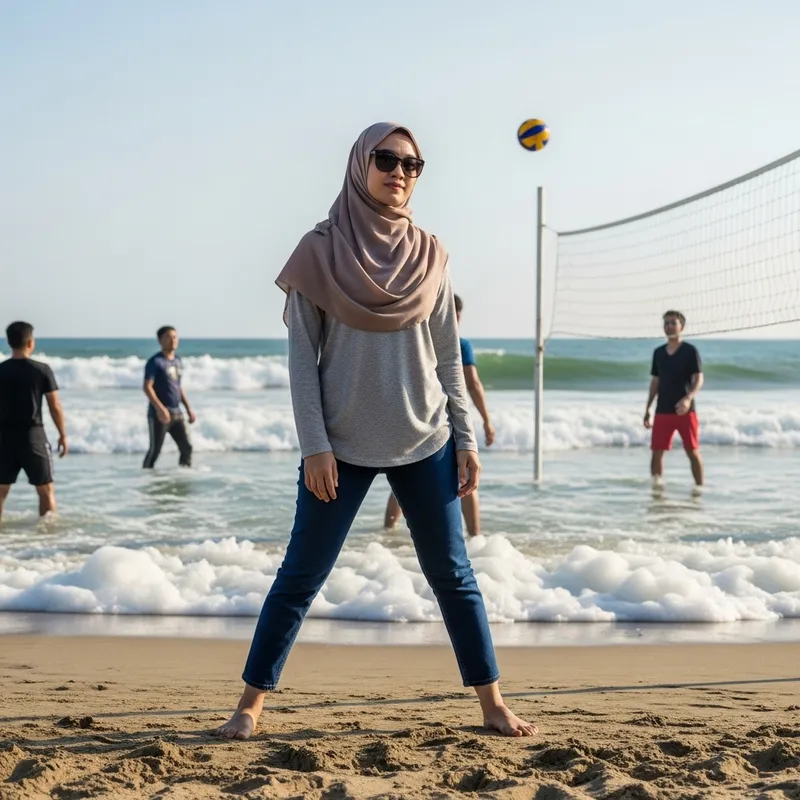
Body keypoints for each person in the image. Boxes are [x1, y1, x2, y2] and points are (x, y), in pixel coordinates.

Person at [215, 122, 536, 740]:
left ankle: (493, 705)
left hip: (426, 442)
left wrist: (465, 438)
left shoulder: (432, 254)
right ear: (360, 164)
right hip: (340, 449)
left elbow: (447, 360)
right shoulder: (318, 253)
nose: (400, 172)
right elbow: (302, 364)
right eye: (387, 159)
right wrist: (314, 445)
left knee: (454, 576)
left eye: (413, 165)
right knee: (300, 577)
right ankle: (250, 706)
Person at [384, 293, 495, 536]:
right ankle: (475, 536)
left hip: (414, 418)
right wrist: (486, 420)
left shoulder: (416, 341)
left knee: (403, 477)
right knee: (465, 479)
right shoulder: (458, 343)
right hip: (446, 420)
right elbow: (473, 384)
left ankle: (387, 532)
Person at [0, 321, 68, 522]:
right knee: (45, 490)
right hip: (33, 437)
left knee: (1, 491)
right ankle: (47, 539)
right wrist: (63, 435)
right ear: (30, 342)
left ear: (9, 342)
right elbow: (54, 405)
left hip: (3, 438)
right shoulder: (41, 370)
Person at [644, 310, 704, 486]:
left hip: (684, 410)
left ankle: (699, 491)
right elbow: (656, 381)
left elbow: (698, 378)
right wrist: (647, 408)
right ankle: (657, 491)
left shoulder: (690, 351)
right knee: (657, 452)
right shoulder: (658, 353)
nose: (669, 326)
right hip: (663, 409)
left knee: (692, 451)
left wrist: (688, 398)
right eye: (666, 323)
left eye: (673, 323)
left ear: (681, 326)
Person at [142, 326, 195, 469]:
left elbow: (178, 387)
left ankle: (183, 478)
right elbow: (147, 387)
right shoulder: (155, 362)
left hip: (177, 413)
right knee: (155, 451)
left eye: (175, 337)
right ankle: (146, 482)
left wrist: (188, 408)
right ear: (160, 340)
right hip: (160, 415)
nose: (172, 340)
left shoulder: (177, 360)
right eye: (168, 337)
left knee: (187, 448)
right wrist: (160, 408)